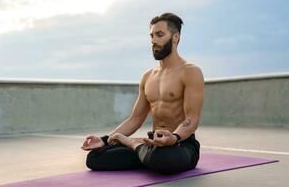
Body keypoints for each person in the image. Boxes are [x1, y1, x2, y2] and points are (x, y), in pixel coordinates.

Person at [81, 12, 204, 174]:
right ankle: (145, 154)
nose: (154, 41)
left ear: (175, 37)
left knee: (165, 158)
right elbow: (135, 119)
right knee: (95, 158)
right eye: (152, 36)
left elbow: (191, 119)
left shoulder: (190, 72)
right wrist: (104, 140)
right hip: (152, 143)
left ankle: (134, 145)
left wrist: (173, 138)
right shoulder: (148, 76)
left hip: (181, 144)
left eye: (160, 35)